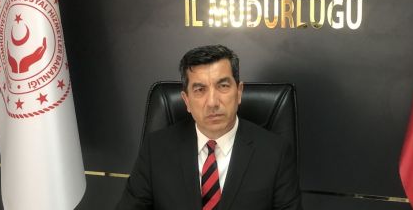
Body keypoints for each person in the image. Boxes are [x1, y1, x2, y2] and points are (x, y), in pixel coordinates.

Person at [116, 44, 302, 210]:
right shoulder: (155, 150)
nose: (212, 102)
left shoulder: (276, 153)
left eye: (223, 86)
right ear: (186, 101)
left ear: (239, 92)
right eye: (200, 90)